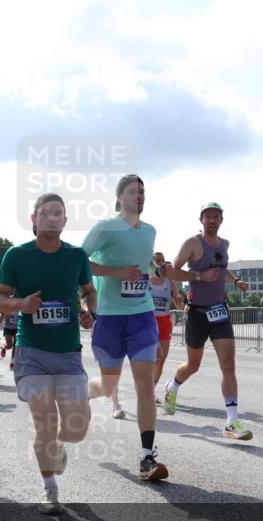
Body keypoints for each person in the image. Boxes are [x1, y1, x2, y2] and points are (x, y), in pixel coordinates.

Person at [0, 192, 96, 513]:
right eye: (46, 212)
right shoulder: (16, 255)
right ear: (33, 220)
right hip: (32, 352)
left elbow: (89, 291)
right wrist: (22, 304)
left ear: (65, 221)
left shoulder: (76, 256)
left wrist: (90, 312)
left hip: (68, 353)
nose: (52, 217)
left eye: (58, 213)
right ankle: (50, 488)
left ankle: (56, 448)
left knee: (77, 429)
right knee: (45, 424)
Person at [83, 174, 167, 481]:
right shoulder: (106, 228)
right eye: (134, 192)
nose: (140, 196)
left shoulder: (150, 231)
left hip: (142, 315)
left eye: (143, 192)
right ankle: (83, 394)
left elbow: (145, 269)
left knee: (145, 383)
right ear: (120, 198)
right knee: (108, 386)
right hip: (109, 317)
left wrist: (156, 269)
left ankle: (147, 457)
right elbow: (80, 261)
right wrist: (115, 271)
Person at [163, 202, 253, 441]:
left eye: (216, 216)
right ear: (201, 220)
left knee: (228, 364)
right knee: (193, 365)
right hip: (197, 313)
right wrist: (199, 275)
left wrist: (235, 281)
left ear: (221, 220)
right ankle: (172, 386)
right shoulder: (192, 243)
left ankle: (232, 421)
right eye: (208, 217)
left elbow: (222, 270)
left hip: (220, 310)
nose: (212, 220)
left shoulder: (225, 244)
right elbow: (173, 271)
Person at [149, 253, 184, 387]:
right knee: (152, 358)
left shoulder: (169, 282)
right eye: (157, 260)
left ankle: (151, 388)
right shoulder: (146, 281)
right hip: (149, 322)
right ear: (152, 263)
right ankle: (146, 388)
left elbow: (179, 305)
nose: (160, 262)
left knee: (161, 358)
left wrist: (180, 301)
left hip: (164, 322)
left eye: (162, 260)